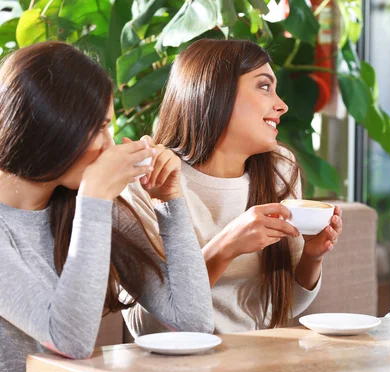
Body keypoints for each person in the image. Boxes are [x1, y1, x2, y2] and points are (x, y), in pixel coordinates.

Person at [0, 42, 213, 372]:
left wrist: (170, 200)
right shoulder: (89, 203)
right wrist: (95, 198)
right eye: (98, 128)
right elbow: (70, 340)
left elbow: (193, 321)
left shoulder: (82, 206)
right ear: (52, 126)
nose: (110, 144)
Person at [125, 39, 343, 334]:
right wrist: (226, 247)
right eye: (265, 86)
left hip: (261, 364)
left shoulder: (280, 168)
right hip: (177, 371)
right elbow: (145, 326)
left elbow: (284, 305)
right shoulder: (148, 181)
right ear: (216, 92)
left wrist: (311, 257)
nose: (282, 105)